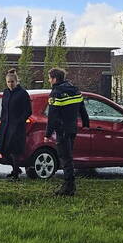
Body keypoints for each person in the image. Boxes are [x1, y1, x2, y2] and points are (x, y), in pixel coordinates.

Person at [45, 67, 90, 196]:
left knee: (65, 158)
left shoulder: (56, 93)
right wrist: (86, 123)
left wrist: (47, 134)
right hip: (72, 129)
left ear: (54, 79)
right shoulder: (75, 90)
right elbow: (82, 109)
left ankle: (68, 187)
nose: (49, 81)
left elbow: (52, 116)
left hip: (62, 130)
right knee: (69, 157)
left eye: (49, 78)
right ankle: (70, 185)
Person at [0, 68, 32, 180]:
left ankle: (15, 174)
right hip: (5, 125)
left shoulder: (23, 94)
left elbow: (28, 111)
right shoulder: (6, 93)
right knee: (2, 149)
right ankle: (15, 168)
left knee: (14, 151)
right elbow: (3, 108)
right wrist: (2, 120)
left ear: (16, 82)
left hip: (17, 126)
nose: (10, 84)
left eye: (12, 82)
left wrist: (19, 121)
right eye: (8, 82)